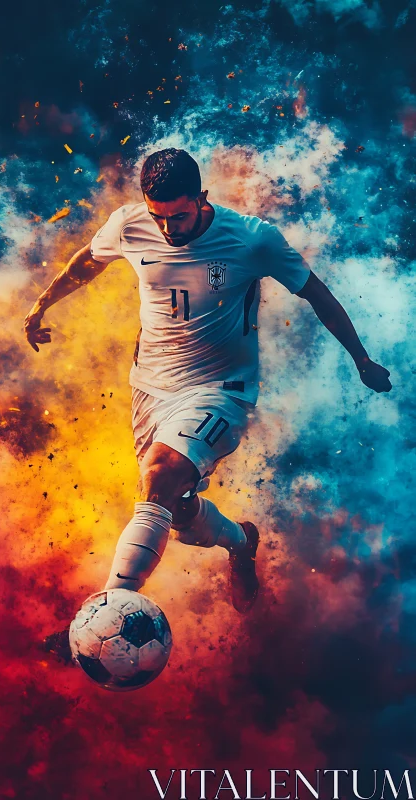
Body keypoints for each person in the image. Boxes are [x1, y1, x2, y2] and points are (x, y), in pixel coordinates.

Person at [24, 148, 391, 659]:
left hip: (222, 390)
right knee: (172, 507)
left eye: (180, 215)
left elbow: (317, 295)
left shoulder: (250, 239)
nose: (169, 228)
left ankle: (101, 617)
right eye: (159, 217)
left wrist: (361, 359)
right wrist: (43, 303)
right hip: (150, 388)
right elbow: (90, 260)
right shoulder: (131, 225)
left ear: (202, 198)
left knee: (160, 474)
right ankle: (240, 542)